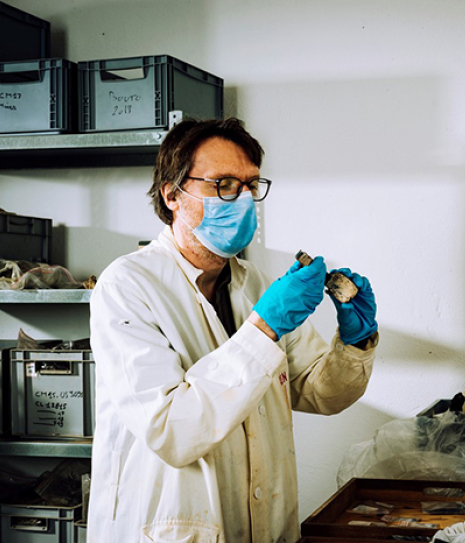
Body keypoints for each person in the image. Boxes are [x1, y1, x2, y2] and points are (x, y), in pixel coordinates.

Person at [87, 117, 379, 542]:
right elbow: (172, 429)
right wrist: (263, 329)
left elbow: (318, 392)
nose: (242, 200)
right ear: (172, 194)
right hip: (170, 527)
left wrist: (354, 344)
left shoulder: (255, 284)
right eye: (223, 184)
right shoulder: (127, 286)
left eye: (250, 185)